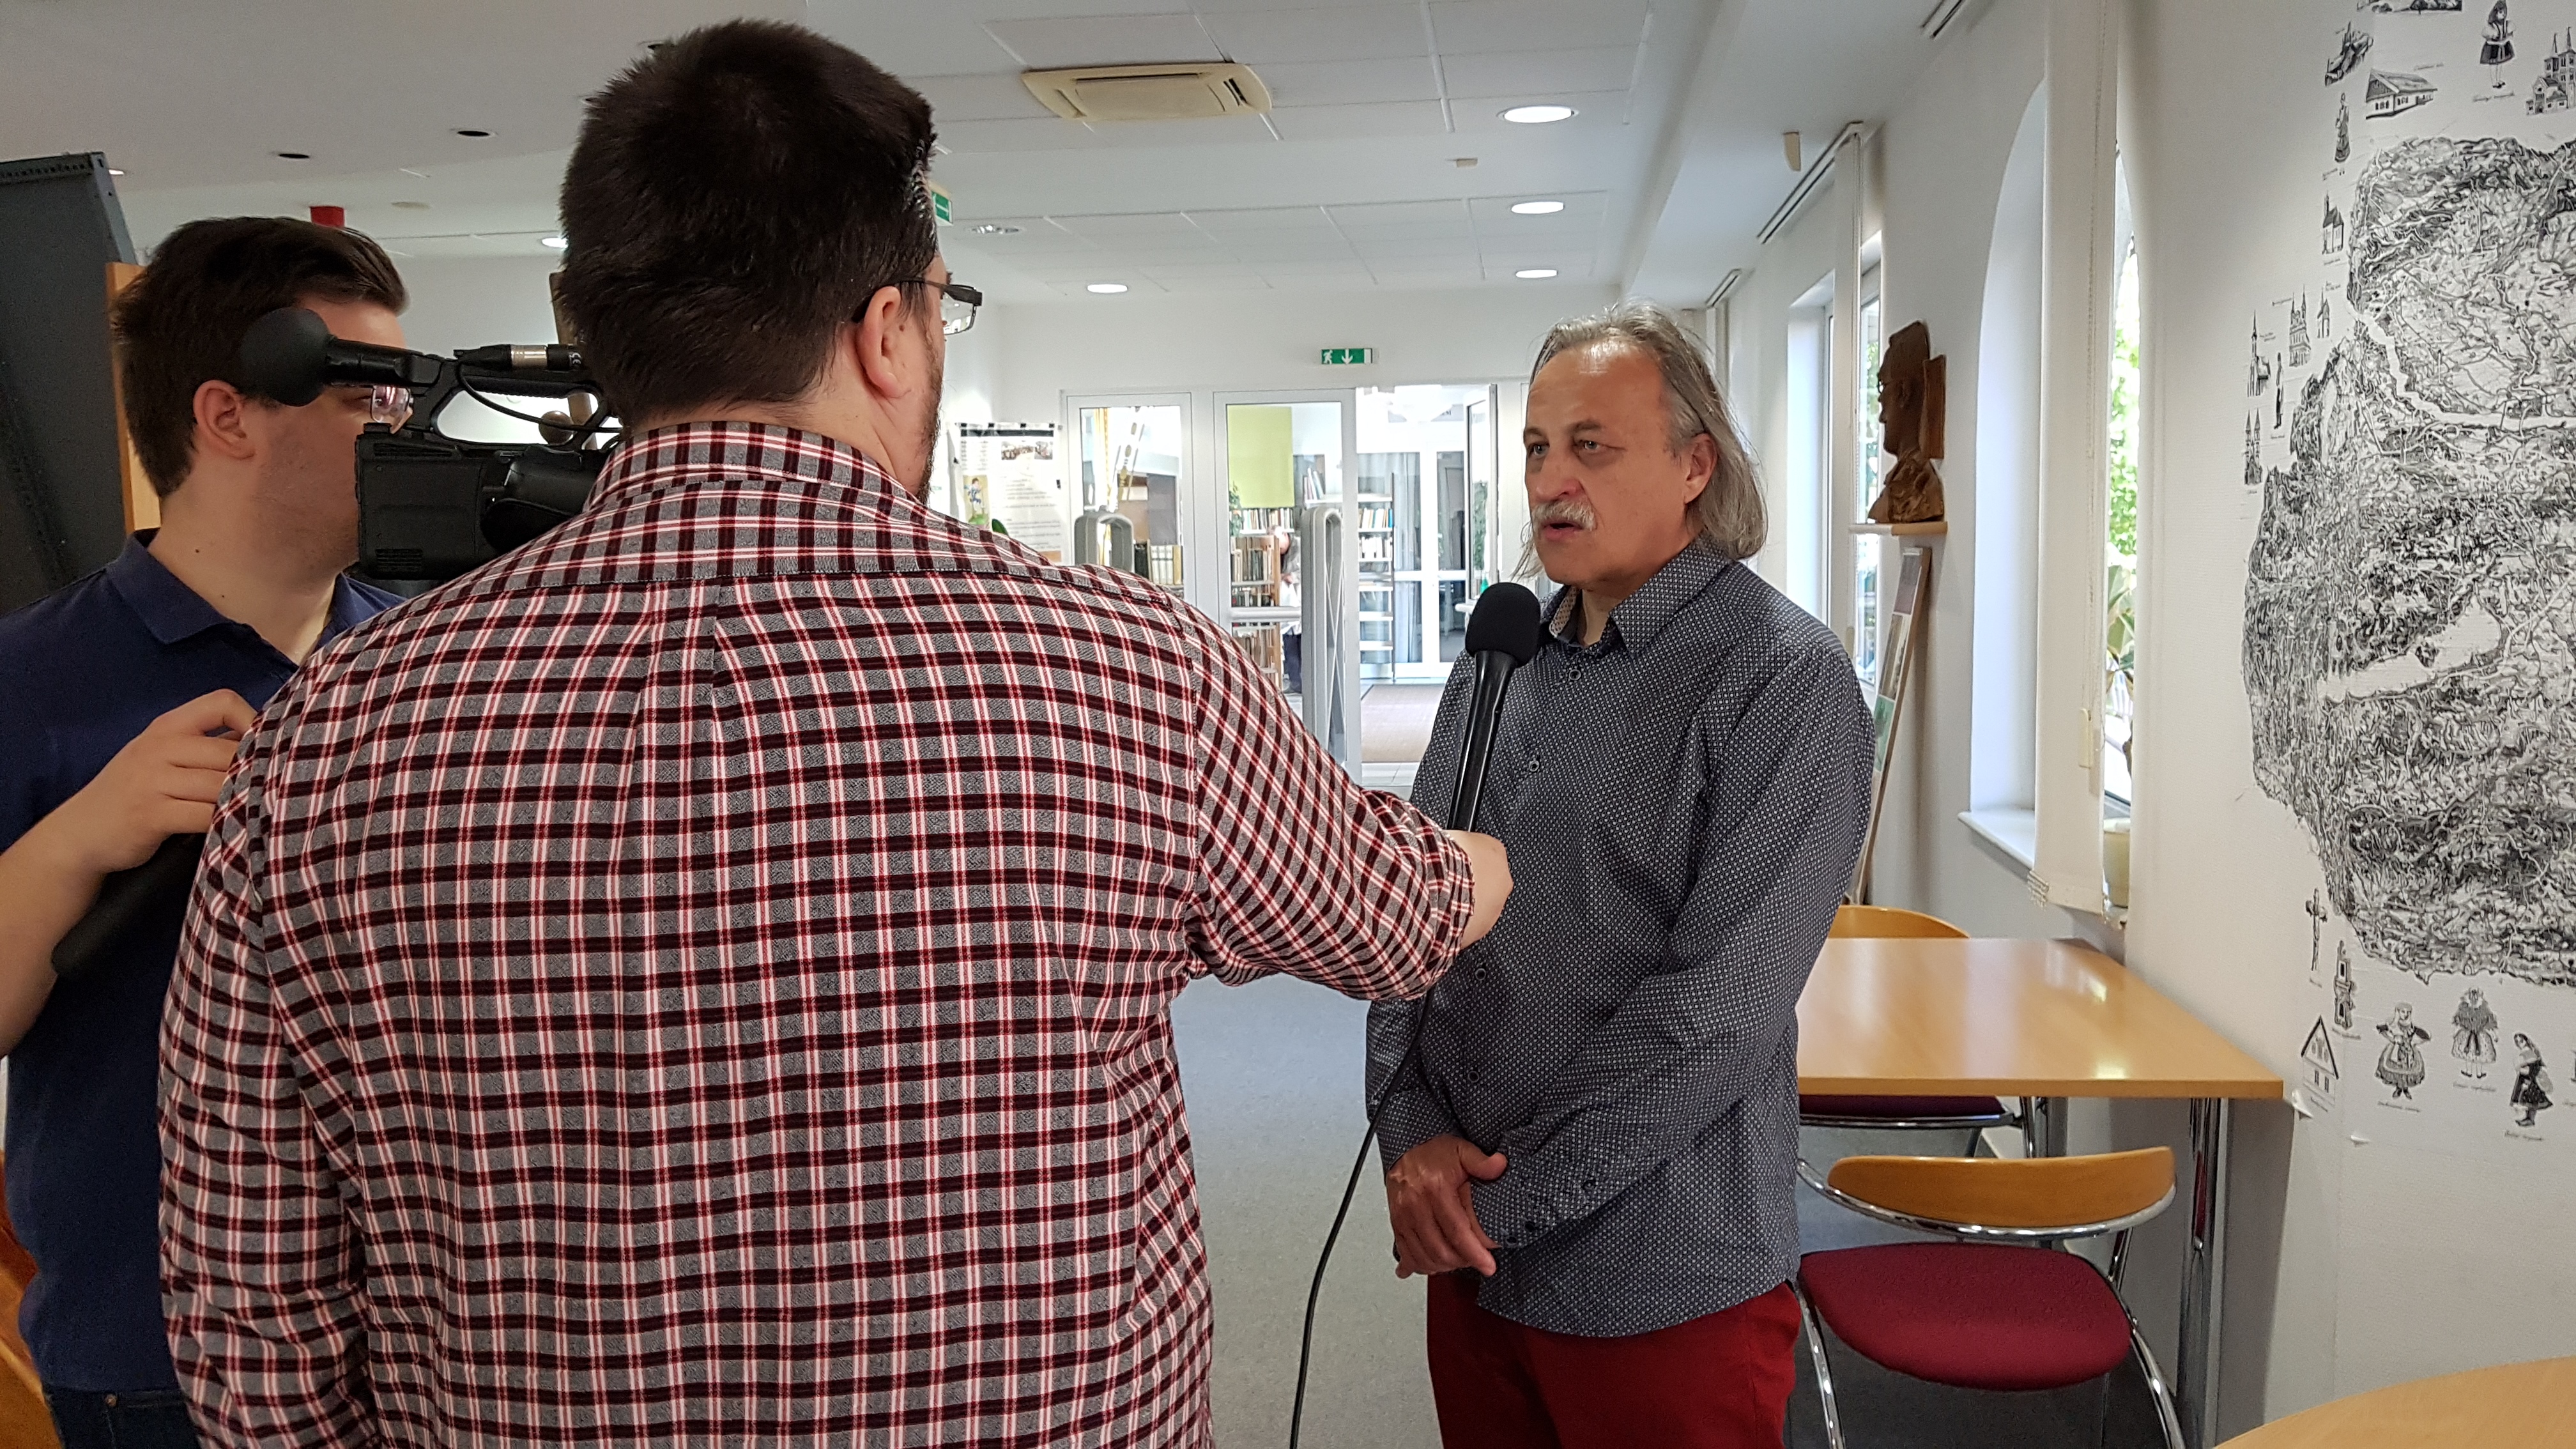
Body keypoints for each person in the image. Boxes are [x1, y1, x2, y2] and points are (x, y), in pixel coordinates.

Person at [155, 21, 1510, 1449]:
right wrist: (1491, 854)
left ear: (590, 326)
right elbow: (1388, 922)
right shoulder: (1125, 669)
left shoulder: (328, 735)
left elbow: (249, 1306)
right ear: (885, 330)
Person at [1367, 300, 1874, 1448]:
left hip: (1659, 1275)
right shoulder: (1502, 655)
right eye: (1537, 448)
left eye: (1591, 447)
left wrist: (1496, 1199)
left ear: (1696, 466)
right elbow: (1411, 899)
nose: (1552, 482)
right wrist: (1409, 1131)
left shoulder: (1781, 678)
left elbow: (1716, 1014)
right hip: (1472, 1262)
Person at [0, 216, 410, 1449]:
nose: (402, 427)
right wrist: (81, 837)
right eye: (365, 396)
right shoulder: (27, 679)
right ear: (228, 417)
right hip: (153, 1350)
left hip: (425, 1330)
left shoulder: (429, 665)